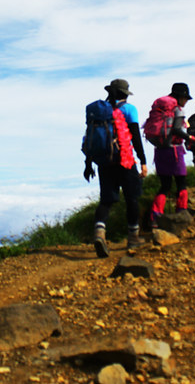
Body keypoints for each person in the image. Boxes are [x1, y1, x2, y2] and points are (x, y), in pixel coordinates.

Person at [83, 79, 148, 257]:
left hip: (104, 162)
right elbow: (135, 137)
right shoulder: (128, 109)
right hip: (125, 160)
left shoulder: (100, 112)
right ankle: (133, 239)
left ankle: (99, 233)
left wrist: (88, 164)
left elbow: (89, 139)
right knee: (132, 198)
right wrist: (143, 160)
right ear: (125, 93)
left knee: (106, 201)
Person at [149, 82, 195, 227]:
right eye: (186, 98)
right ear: (181, 96)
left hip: (159, 150)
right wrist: (192, 138)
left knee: (165, 185)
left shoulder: (161, 109)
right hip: (174, 150)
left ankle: (155, 215)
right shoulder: (177, 110)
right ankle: (182, 211)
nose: (186, 102)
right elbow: (177, 130)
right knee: (181, 182)